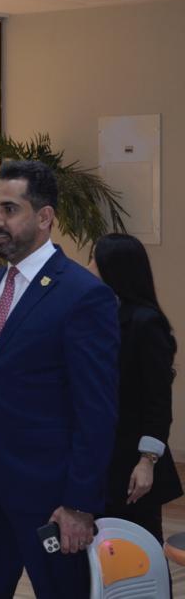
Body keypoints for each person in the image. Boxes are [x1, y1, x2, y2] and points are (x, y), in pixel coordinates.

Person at [0, 160, 120, 598]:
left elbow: (96, 410)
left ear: (44, 217)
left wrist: (79, 504)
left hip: (50, 497)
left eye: (10, 209)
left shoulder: (83, 295)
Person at [90, 233, 182, 543]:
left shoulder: (145, 322)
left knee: (139, 546)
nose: (88, 268)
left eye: (94, 260)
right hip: (104, 454)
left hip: (133, 458)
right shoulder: (101, 314)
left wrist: (147, 460)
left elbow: (158, 401)